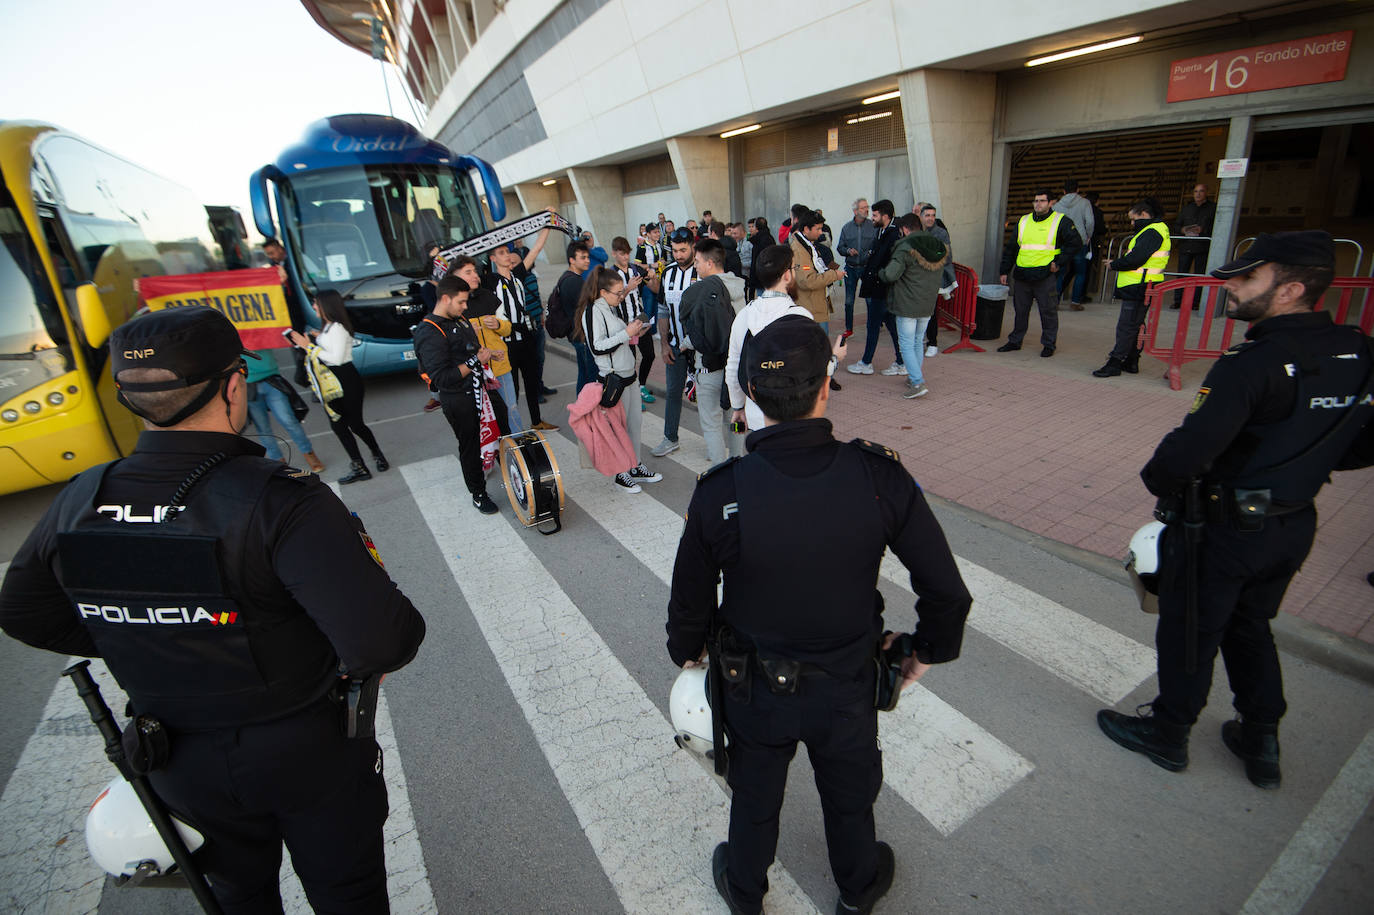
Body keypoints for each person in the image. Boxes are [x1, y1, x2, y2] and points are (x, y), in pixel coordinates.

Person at [0, 305, 426, 912]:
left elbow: (25, 613)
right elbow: (385, 640)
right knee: (348, 895)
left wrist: (150, 633)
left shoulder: (81, 498)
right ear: (233, 387)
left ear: (131, 399)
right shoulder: (283, 500)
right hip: (305, 748)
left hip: (173, 757)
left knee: (236, 898)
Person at [666, 315, 972, 915]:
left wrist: (688, 650)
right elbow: (947, 592)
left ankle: (747, 894)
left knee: (754, 796)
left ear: (751, 394)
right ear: (826, 386)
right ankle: (857, 892)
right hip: (848, 681)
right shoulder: (878, 476)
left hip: (751, 685)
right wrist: (923, 651)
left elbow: (688, 602)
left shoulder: (720, 490)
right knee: (850, 795)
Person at [1097, 230, 1374, 790]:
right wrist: (1296, 464)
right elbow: (1363, 444)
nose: (1231, 284)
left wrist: (1160, 481)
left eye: (1248, 277)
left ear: (1292, 288)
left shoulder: (1254, 360)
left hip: (1223, 526)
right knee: (1250, 626)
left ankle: (1168, 734)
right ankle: (1260, 735)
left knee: (1190, 629)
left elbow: (1190, 450)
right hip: (1292, 521)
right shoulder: (1360, 351)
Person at [413, 274, 504, 514]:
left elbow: (471, 350)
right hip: (459, 400)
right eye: (461, 302)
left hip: (481, 390)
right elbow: (441, 378)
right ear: (445, 298)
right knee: (470, 446)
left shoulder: (459, 319)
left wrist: (489, 354)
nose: (466, 307)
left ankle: (514, 473)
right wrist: (476, 361)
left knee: (502, 430)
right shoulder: (429, 331)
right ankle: (479, 493)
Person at [575, 266, 663, 492]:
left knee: (635, 423)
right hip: (613, 378)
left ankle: (635, 465)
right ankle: (620, 473)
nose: (621, 296)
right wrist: (627, 333)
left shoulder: (611, 307)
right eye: (617, 293)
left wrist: (635, 331)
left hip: (629, 375)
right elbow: (597, 347)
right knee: (618, 428)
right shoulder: (593, 311)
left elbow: (619, 337)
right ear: (603, 292)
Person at [287, 291, 388, 485]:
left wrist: (308, 346)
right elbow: (326, 350)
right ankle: (359, 466)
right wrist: (313, 339)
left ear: (327, 306)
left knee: (356, 424)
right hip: (328, 382)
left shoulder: (339, 328)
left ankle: (377, 454)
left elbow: (336, 358)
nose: (314, 307)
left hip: (346, 379)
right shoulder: (327, 327)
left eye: (316, 304)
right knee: (338, 425)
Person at [727, 245, 815, 433]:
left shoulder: (744, 315)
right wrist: (835, 358)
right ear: (786, 275)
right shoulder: (802, 317)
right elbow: (813, 369)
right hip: (794, 416)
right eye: (794, 268)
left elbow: (734, 366)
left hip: (756, 415)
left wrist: (738, 407)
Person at [680, 238, 746, 465]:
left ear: (709, 263)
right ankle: (738, 465)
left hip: (709, 368)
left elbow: (702, 333)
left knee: (711, 423)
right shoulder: (739, 286)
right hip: (735, 368)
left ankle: (720, 473)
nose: (695, 266)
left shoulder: (702, 291)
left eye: (697, 261)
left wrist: (685, 343)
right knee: (736, 420)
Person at [997, 188, 1083, 358]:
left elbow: (1076, 243)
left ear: (1051, 203)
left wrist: (1059, 263)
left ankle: (1049, 344)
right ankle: (1015, 341)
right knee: (1020, 311)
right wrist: (1004, 270)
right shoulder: (1024, 221)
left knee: (1048, 311)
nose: (1038, 204)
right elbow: (1012, 248)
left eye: (1042, 201)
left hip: (1045, 275)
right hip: (1022, 274)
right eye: (1036, 200)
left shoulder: (1061, 221)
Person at [1092, 199, 1171, 378]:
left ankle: (1115, 362)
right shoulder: (1156, 230)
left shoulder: (1152, 232)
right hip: (1143, 285)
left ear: (1143, 214)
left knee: (1127, 326)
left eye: (1133, 219)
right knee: (1135, 325)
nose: (1132, 223)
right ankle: (1131, 360)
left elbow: (1136, 259)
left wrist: (1115, 264)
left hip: (1140, 286)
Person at [489, 242, 558, 430]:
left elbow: (534, 251)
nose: (507, 255)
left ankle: (536, 422)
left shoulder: (517, 276)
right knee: (513, 389)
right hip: (507, 343)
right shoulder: (491, 281)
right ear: (492, 259)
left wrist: (546, 224)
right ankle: (512, 428)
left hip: (525, 338)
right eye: (501, 253)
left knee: (531, 381)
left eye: (508, 252)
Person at [880, 213, 948, 400]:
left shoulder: (905, 247)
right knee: (918, 341)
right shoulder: (936, 245)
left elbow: (891, 274)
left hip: (908, 304)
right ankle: (914, 377)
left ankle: (917, 382)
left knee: (907, 344)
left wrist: (881, 272)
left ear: (905, 229)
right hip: (927, 303)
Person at [450, 256, 518, 434]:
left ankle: (519, 453)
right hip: (473, 373)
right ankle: (494, 452)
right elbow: (449, 342)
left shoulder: (488, 297)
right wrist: (466, 331)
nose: (475, 276)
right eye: (468, 272)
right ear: (455, 277)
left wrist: (499, 325)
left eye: (475, 271)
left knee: (511, 410)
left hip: (500, 367)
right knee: (484, 417)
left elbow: (508, 329)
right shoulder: (453, 307)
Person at [651, 228, 699, 458]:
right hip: (675, 346)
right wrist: (663, 345)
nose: (679, 255)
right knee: (672, 392)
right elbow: (662, 310)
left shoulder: (703, 271)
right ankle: (670, 438)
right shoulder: (668, 272)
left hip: (702, 349)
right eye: (675, 250)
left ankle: (720, 441)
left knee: (711, 396)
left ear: (692, 246)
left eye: (683, 250)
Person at [244, 346, 325, 472]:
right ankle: (278, 461)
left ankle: (308, 453)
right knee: (263, 428)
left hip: (271, 378)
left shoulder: (260, 326)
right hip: (247, 384)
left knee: (289, 421)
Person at [788, 210, 845, 391]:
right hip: (809, 305)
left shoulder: (809, 245)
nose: (821, 232)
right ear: (806, 229)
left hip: (817, 303)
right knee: (813, 347)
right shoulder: (799, 249)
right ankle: (815, 380)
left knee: (821, 346)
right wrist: (833, 275)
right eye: (818, 229)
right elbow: (807, 281)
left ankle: (825, 377)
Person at [849, 199, 905, 377]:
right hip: (878, 287)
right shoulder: (882, 231)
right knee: (890, 325)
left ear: (885, 216)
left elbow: (883, 261)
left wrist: (876, 276)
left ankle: (866, 362)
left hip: (883, 288)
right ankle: (901, 361)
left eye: (875, 215)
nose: (871, 218)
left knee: (873, 325)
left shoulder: (893, 234)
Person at [611, 235, 659, 408]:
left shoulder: (635, 269)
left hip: (640, 318)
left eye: (627, 253)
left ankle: (642, 386)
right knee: (629, 362)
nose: (625, 257)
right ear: (614, 253)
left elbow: (654, 287)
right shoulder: (611, 274)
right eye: (622, 254)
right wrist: (628, 288)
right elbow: (613, 301)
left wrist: (653, 277)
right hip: (623, 324)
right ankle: (632, 396)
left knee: (650, 354)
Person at [558, 241, 599, 394]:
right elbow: (588, 310)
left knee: (585, 374)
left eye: (588, 257)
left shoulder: (571, 278)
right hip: (581, 337)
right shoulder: (573, 282)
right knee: (589, 377)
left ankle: (582, 411)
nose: (587, 260)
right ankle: (584, 412)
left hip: (578, 335)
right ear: (572, 260)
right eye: (583, 257)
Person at [916, 203, 954, 357]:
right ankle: (923, 338)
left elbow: (946, 256)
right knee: (920, 310)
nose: (931, 218)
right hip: (918, 278)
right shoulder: (917, 231)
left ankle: (933, 342)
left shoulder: (941, 233)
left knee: (931, 310)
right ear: (921, 216)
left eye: (933, 215)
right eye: (927, 215)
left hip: (934, 278)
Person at [1052, 179, 1095, 310]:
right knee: (1080, 272)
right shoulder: (1085, 203)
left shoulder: (1057, 206)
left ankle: (1055, 301)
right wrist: (1088, 236)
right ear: (1077, 189)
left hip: (1062, 242)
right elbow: (1090, 222)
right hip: (1079, 241)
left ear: (1063, 191)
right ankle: (1075, 302)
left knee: (1059, 272)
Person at [1173, 184, 1217, 308]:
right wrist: (1182, 230)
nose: (1198, 194)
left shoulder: (1213, 208)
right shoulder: (1187, 208)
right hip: (1186, 244)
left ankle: (1196, 302)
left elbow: (1217, 227)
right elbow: (1176, 225)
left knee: (1199, 274)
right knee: (1182, 273)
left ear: (1206, 192)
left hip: (1202, 245)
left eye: (1201, 191)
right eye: (1196, 191)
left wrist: (1202, 230)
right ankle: (1178, 300)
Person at [837, 198, 876, 335]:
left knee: (870, 301)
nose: (867, 210)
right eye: (863, 208)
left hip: (867, 268)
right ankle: (849, 329)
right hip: (851, 268)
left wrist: (870, 253)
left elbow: (877, 245)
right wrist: (848, 251)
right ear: (855, 211)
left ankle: (872, 326)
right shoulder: (846, 228)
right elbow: (840, 247)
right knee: (849, 302)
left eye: (867, 207)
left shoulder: (873, 226)